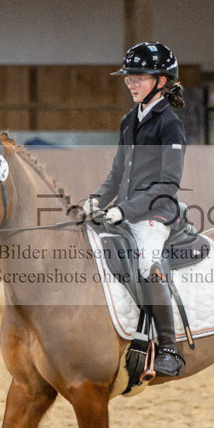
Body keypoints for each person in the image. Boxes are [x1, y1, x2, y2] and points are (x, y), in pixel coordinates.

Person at [81, 42, 187, 378]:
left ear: (160, 80)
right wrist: (96, 200)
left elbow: (168, 183)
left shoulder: (169, 123)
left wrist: (125, 211)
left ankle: (169, 348)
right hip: (124, 210)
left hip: (156, 213)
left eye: (137, 78)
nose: (130, 83)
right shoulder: (130, 120)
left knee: (147, 262)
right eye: (128, 78)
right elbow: (116, 174)